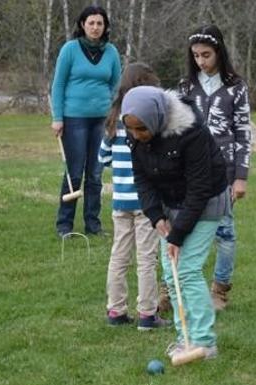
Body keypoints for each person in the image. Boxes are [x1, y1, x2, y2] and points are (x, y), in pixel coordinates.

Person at [121, 86, 229, 360]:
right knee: (171, 273)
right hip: (169, 203)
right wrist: (156, 216)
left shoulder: (191, 132)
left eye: (141, 129)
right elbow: (142, 179)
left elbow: (200, 188)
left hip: (205, 203)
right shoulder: (135, 135)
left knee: (187, 270)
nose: (136, 136)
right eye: (131, 129)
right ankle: (185, 340)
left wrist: (178, 235)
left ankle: (205, 343)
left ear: (156, 118)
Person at [179, 24, 252, 311]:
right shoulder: (186, 86)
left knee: (224, 232)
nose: (201, 61)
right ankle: (172, 286)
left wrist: (241, 177)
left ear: (219, 52)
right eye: (196, 56)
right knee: (181, 227)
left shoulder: (236, 86)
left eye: (206, 55)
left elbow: (244, 133)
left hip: (224, 172)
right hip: (188, 170)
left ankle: (220, 290)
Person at [99, 63, 170, 330]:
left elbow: (101, 158)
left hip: (120, 201)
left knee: (119, 255)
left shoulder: (113, 121)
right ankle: (147, 315)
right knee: (146, 257)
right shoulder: (146, 121)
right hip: (145, 202)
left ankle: (116, 311)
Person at [50, 5, 121, 237]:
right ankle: (64, 225)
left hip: (101, 120)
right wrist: (57, 118)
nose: (95, 27)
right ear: (83, 25)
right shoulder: (70, 49)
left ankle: (93, 224)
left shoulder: (111, 52)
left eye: (100, 23)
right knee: (74, 172)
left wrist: (115, 115)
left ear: (105, 26)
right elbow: (58, 85)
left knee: (95, 173)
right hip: (74, 119)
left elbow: (116, 86)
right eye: (91, 23)